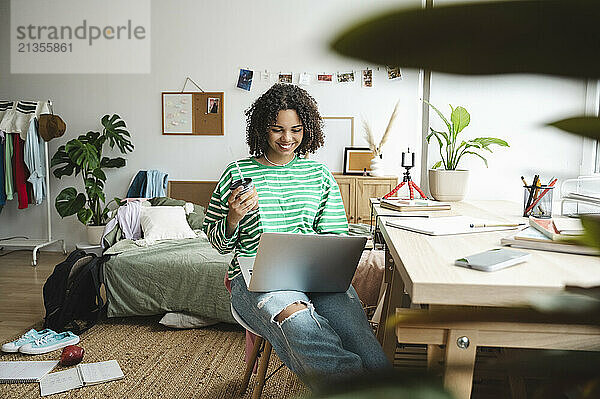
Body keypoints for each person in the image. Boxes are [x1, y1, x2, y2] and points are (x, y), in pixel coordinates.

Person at [202, 83, 390, 387]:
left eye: (296, 129)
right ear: (263, 128)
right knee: (299, 324)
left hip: (316, 276)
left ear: (308, 130)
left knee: (356, 332)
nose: (287, 138)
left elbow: (335, 235)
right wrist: (233, 217)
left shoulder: (318, 175)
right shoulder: (236, 173)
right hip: (255, 279)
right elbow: (218, 244)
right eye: (277, 129)